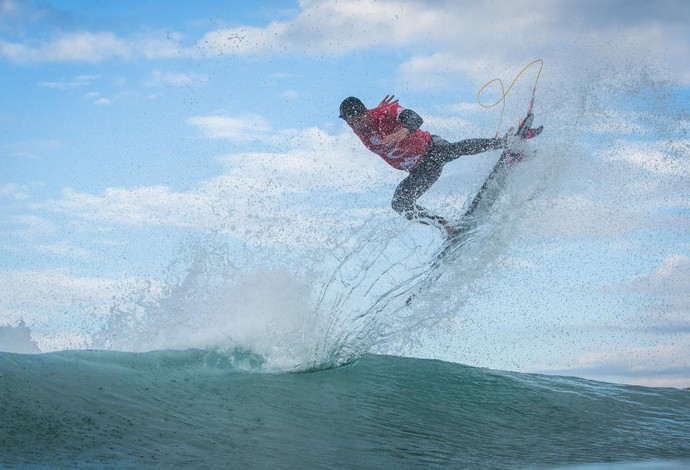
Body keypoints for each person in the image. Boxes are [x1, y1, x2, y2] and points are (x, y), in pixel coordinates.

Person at [339, 95, 541, 234]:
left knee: (453, 150)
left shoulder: (385, 113)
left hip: (431, 148)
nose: (356, 127)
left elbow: (415, 118)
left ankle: (507, 142)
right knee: (400, 204)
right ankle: (446, 226)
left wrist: (399, 132)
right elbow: (369, 121)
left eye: (357, 121)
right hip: (420, 170)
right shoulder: (360, 125)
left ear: (365, 113)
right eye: (350, 123)